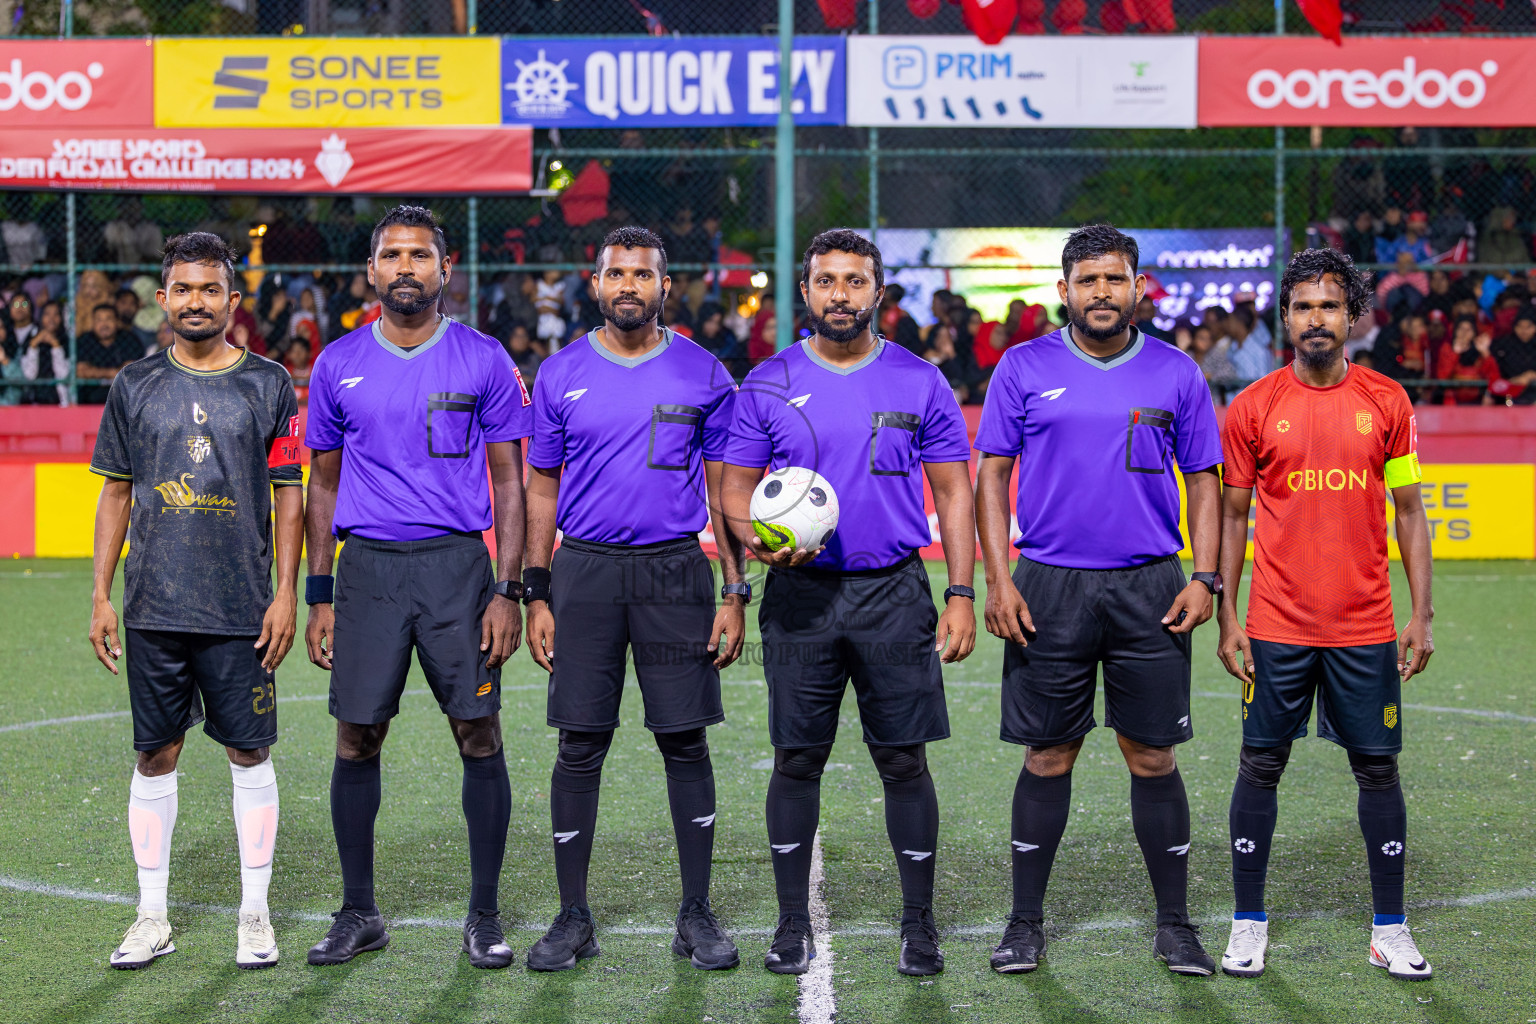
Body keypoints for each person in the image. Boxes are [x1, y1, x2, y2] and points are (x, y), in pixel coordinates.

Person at [721, 229, 978, 978]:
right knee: (796, 760)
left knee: (903, 761)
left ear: (878, 292)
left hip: (894, 591)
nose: (841, 294)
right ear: (806, 293)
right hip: (799, 593)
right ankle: (791, 923)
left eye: (855, 281)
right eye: (827, 281)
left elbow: (954, 492)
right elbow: (734, 490)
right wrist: (755, 544)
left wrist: (960, 592)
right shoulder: (767, 380)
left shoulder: (920, 380)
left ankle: (918, 925)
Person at [974, 223, 1223, 978]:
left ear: (1137, 287)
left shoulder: (1178, 373)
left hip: (1151, 584)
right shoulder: (1022, 367)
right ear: (1065, 292)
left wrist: (1205, 576)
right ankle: (1024, 925)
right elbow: (989, 476)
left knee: (1151, 754)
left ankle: (1175, 925)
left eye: (1115, 280)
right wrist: (998, 578)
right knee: (1048, 754)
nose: (1102, 293)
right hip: (1047, 583)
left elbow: (1205, 479)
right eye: (1088, 282)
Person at [302, 206, 532, 970]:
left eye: (421, 255)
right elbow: (322, 487)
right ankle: (358, 911)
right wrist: (320, 593)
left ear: (445, 270)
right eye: (392, 255)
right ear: (371, 271)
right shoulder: (337, 363)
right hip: (367, 569)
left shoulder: (485, 358)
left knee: (478, 730)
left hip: (457, 569)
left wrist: (508, 589)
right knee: (357, 734)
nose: (407, 267)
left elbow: (509, 479)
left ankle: (485, 916)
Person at [520, 226, 745, 973]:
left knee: (684, 739)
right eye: (615, 272)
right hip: (583, 572)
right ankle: (572, 914)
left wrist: (735, 591)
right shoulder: (558, 374)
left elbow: (724, 492)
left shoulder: (706, 371)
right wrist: (536, 593)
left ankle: (696, 912)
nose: (628, 285)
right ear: (595, 283)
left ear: (663, 285)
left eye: (641, 274)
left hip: (674, 572)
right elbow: (540, 489)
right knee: (579, 743)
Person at [1216, 247, 1435, 981]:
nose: (1316, 318)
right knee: (1260, 764)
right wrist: (1227, 616)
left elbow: (1409, 511)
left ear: (1352, 316)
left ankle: (1390, 927)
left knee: (1378, 771)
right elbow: (1233, 513)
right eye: (1304, 305)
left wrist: (1421, 614)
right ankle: (1248, 922)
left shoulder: (1389, 403)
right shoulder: (1251, 407)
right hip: (1276, 624)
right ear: (1286, 316)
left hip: (1365, 625)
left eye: (1329, 305)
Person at [86, 232, 304, 970]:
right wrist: (100, 596)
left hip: (242, 609)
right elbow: (116, 491)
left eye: (210, 290)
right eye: (183, 289)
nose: (196, 302)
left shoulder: (271, 384)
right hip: (152, 606)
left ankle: (255, 913)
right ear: (162, 300)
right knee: (156, 754)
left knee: (250, 751)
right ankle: (152, 916)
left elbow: (290, 497)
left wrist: (285, 596)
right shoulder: (134, 383)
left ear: (233, 301)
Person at [77, 302, 147, 405]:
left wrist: (94, 372)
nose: (104, 324)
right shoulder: (85, 340)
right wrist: (112, 373)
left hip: (122, 398)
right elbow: (81, 372)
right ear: (93, 323)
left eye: (108, 319)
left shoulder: (129, 339)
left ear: (117, 322)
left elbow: (129, 373)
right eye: (99, 320)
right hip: (88, 398)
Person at [1434, 317, 1498, 405]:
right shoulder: (1448, 349)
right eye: (1461, 329)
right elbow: (1442, 377)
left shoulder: (1479, 350)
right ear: (1455, 331)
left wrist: (1485, 354)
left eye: (1469, 329)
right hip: (1454, 399)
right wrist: (1455, 353)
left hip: (1478, 398)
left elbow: (1493, 377)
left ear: (1474, 333)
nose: (1464, 333)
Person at [1491, 309, 1536, 405]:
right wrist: (1516, 380)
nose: (1524, 331)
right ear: (1514, 327)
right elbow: (1496, 373)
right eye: (1520, 326)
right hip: (1509, 394)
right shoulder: (1504, 345)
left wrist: (1531, 375)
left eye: (1529, 327)